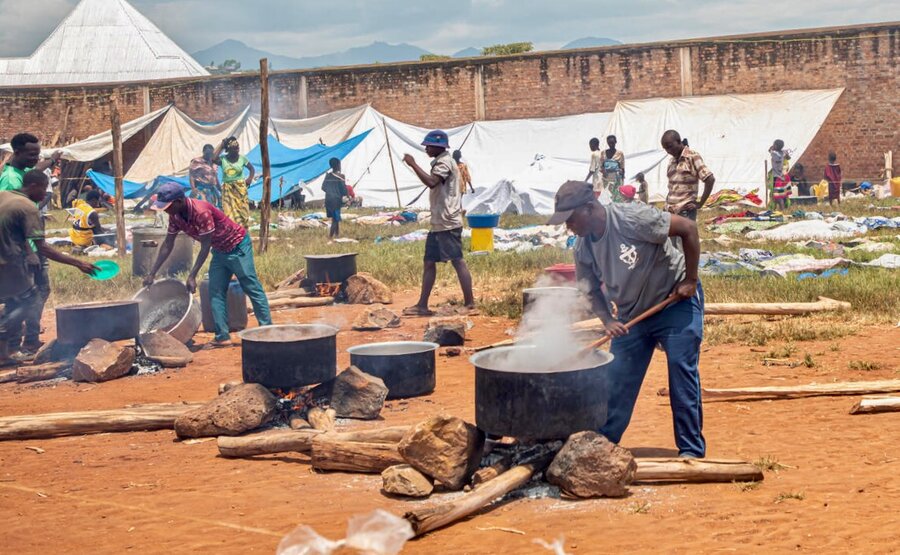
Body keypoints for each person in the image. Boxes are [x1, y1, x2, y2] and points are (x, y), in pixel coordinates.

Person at [548, 180, 705, 458]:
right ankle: (603, 445)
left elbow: (688, 229)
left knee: (681, 373)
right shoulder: (583, 246)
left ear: (589, 208)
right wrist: (607, 320)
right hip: (633, 314)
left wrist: (691, 280)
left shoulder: (632, 217)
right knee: (617, 380)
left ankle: (691, 451)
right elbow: (590, 288)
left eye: (570, 219)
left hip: (674, 300)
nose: (568, 226)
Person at [143, 182, 271, 348]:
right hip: (219, 250)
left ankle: (268, 331)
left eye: (167, 206)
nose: (166, 210)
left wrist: (192, 275)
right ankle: (222, 336)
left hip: (237, 246)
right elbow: (168, 243)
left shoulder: (201, 211)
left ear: (179, 201)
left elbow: (205, 246)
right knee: (215, 291)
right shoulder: (175, 216)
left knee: (250, 286)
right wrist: (152, 273)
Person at [1, 171, 97, 366]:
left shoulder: (6, 196)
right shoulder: (29, 208)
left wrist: (28, 250)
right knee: (29, 300)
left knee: (13, 301)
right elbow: (43, 247)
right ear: (34, 185)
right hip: (8, 263)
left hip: (6, 258)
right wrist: (79, 263)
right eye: (44, 188)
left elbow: (15, 230)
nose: (46, 194)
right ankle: (4, 340)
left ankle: (6, 353)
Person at [401, 130, 475, 316]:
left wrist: (413, 164)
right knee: (428, 262)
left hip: (448, 222)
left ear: (438, 146)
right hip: (439, 222)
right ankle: (422, 305)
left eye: (429, 146)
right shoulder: (442, 161)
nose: (426, 148)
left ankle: (470, 303)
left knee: (457, 260)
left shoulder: (444, 163)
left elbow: (432, 182)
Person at [661, 130, 715, 221]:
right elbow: (672, 187)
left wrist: (700, 203)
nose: (668, 151)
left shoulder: (692, 157)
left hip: (685, 213)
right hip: (670, 211)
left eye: (670, 147)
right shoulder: (672, 161)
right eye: (665, 148)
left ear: (678, 141)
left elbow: (710, 179)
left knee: (684, 236)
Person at [214, 136, 255, 229]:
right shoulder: (223, 159)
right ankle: (232, 230)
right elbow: (213, 159)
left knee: (242, 211)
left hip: (240, 188)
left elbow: (252, 169)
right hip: (228, 189)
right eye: (234, 149)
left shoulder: (242, 159)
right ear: (229, 150)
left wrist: (249, 179)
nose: (237, 150)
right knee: (229, 211)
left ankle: (243, 230)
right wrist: (221, 145)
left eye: (238, 148)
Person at [321, 158, 348, 240]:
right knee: (335, 220)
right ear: (337, 165)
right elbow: (343, 190)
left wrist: (330, 191)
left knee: (334, 218)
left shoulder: (328, 176)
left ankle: (337, 235)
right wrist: (345, 194)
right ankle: (331, 236)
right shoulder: (341, 176)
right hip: (336, 200)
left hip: (328, 200)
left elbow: (323, 187)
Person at [600, 135, 625, 201]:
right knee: (607, 195)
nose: (611, 144)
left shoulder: (620, 153)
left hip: (616, 177)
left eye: (612, 142)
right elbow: (601, 165)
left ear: (615, 142)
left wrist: (622, 180)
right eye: (609, 143)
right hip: (606, 177)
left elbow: (622, 167)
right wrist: (603, 171)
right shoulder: (603, 153)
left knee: (616, 195)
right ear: (607, 143)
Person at [769, 139, 791, 211]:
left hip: (778, 177)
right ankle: (783, 208)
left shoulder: (774, 153)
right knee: (783, 194)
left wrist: (772, 148)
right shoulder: (783, 152)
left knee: (778, 196)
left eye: (774, 144)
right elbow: (788, 157)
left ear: (775, 146)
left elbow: (769, 150)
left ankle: (782, 210)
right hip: (785, 176)